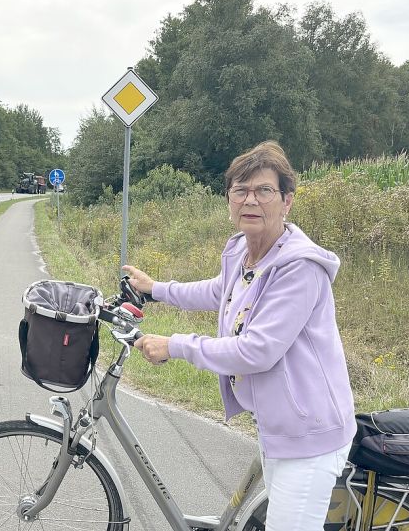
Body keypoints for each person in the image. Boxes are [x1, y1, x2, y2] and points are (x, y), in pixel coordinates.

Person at [123, 140, 356, 531]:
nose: (252, 200)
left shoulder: (299, 267)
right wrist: (156, 288)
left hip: (308, 435)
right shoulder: (243, 252)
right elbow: (220, 291)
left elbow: (257, 351)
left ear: (287, 201)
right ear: (230, 200)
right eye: (241, 190)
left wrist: (175, 345)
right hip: (276, 424)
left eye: (264, 190)